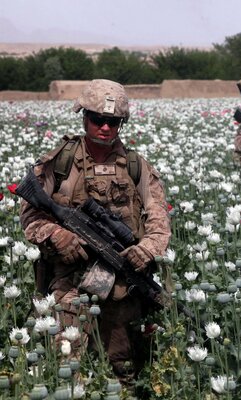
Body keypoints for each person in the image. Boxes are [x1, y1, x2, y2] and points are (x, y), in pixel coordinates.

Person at [19, 79, 171, 388]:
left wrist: (146, 249)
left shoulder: (134, 166)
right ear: (84, 116)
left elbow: (159, 220)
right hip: (70, 283)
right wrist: (56, 234)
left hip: (121, 284)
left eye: (113, 122)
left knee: (123, 369)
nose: (104, 127)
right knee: (66, 369)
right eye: (97, 119)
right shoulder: (60, 163)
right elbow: (30, 216)